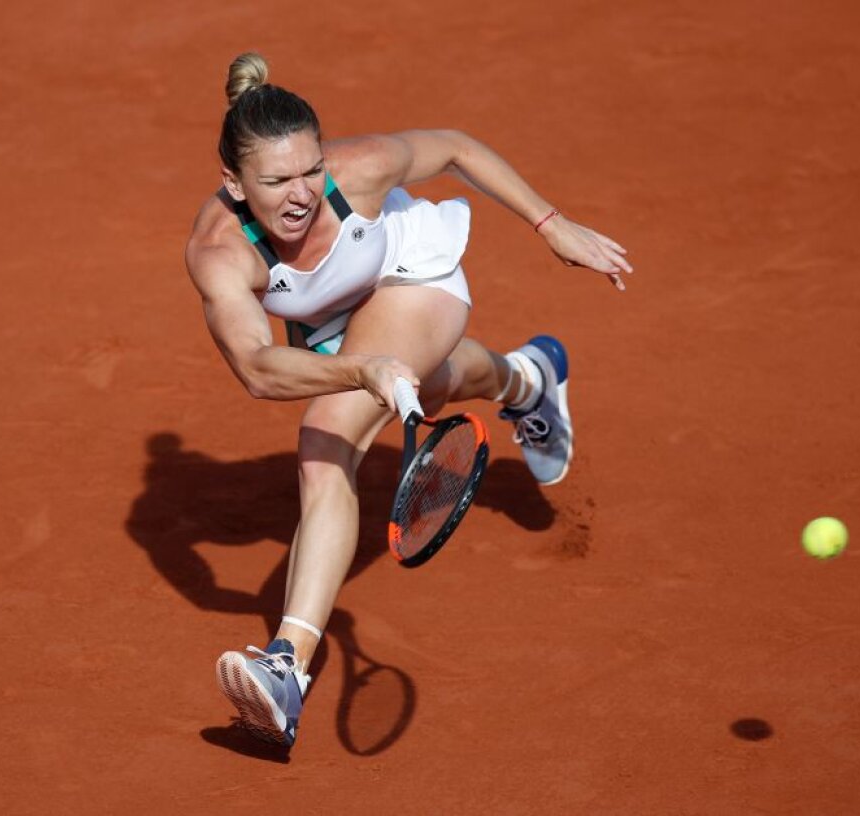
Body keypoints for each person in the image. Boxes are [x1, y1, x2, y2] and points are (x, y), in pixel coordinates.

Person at [185, 52, 632, 747]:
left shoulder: (359, 169)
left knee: (328, 435)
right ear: (235, 184)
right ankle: (530, 378)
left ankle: (286, 667)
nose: (301, 193)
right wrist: (363, 369)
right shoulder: (219, 254)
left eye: (310, 170)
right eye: (276, 181)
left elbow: (454, 147)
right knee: (434, 380)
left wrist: (553, 226)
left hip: (410, 273)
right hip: (334, 324)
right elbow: (258, 369)